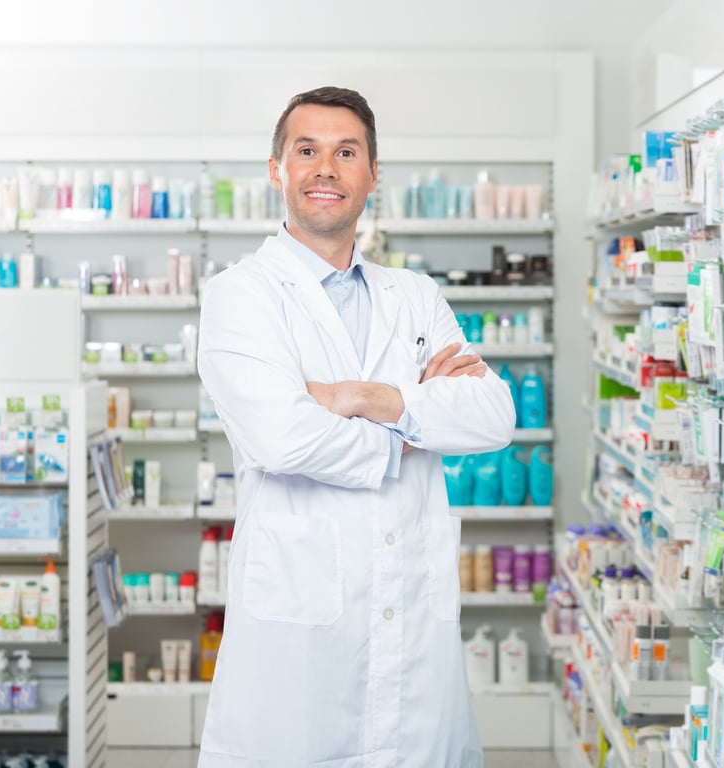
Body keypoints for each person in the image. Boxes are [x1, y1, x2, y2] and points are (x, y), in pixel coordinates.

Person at [195, 86, 516, 768]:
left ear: (372, 174)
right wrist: (419, 421)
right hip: (299, 639)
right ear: (276, 169)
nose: (325, 169)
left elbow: (493, 415)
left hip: (412, 631)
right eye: (306, 150)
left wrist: (361, 396)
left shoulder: (417, 296)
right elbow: (282, 437)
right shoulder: (241, 296)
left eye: (346, 152)